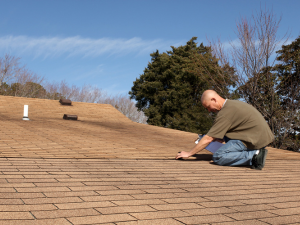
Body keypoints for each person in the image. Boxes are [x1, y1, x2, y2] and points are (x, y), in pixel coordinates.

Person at [176, 90, 274, 170]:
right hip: (257, 137)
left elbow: (208, 138)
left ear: (214, 99)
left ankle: (255, 156)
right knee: (221, 142)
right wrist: (222, 138)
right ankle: (253, 153)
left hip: (252, 141)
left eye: (208, 107)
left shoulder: (225, 113)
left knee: (219, 157)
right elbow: (238, 126)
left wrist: (189, 154)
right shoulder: (231, 104)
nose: (209, 110)